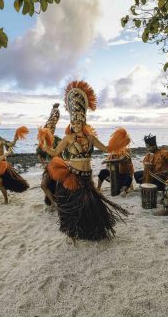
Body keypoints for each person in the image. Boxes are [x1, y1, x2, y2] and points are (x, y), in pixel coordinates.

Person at [40, 81, 129, 242]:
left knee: (92, 206)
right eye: (73, 123)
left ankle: (91, 232)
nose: (76, 125)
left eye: (79, 122)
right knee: (72, 206)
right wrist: (45, 145)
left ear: (84, 122)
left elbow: (107, 149)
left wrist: (120, 141)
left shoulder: (90, 138)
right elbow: (54, 152)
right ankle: (72, 234)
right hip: (72, 176)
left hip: (87, 176)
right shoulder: (68, 139)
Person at [0, 108, 30, 204]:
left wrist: (15, 139)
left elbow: (10, 144)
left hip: (1, 165)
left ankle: (6, 199)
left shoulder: (0, 140)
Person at [36, 103, 64, 211]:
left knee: (59, 186)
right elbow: (38, 152)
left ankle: (61, 202)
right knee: (43, 185)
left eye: (53, 127)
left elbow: (63, 154)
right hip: (48, 169)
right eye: (49, 127)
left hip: (59, 168)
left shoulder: (58, 140)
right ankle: (53, 203)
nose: (51, 128)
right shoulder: (42, 141)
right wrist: (43, 163)